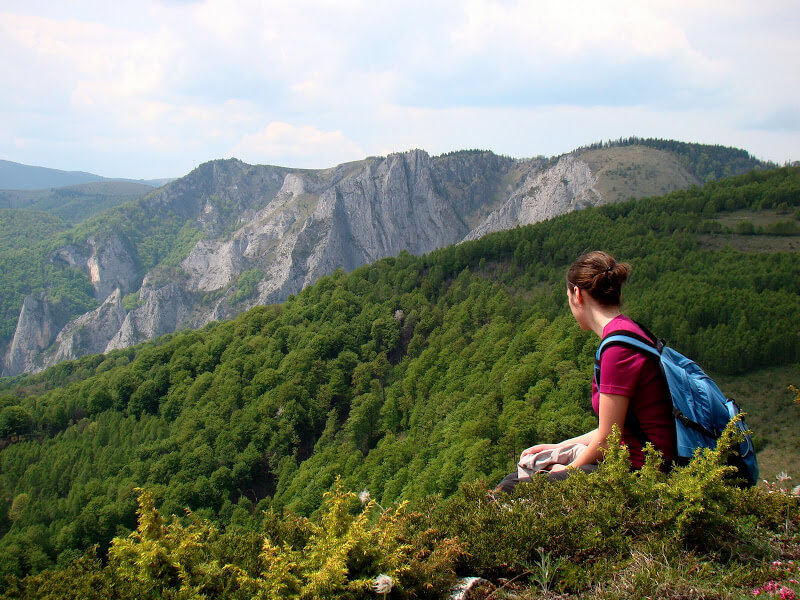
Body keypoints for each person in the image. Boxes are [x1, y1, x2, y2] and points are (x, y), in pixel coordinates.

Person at [494, 250, 677, 494]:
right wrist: (560, 446)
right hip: (642, 460)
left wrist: (568, 471)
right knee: (520, 475)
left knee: (511, 488)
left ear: (577, 294)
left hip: (641, 471)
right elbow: (614, 428)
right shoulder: (630, 332)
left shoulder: (618, 350)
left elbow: (606, 440)